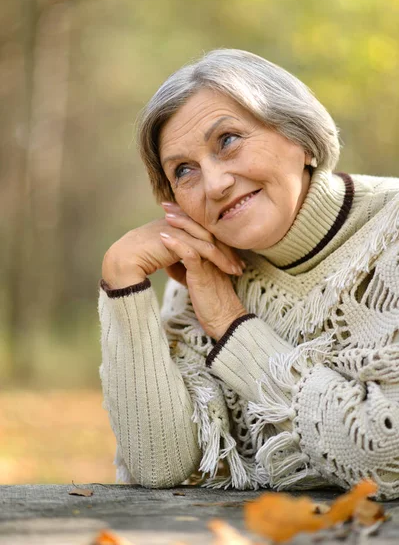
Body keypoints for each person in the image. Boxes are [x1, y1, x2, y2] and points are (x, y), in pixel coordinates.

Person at [99, 49, 399, 499]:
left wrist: (231, 326)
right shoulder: (203, 270)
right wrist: (122, 280)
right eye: (184, 171)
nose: (215, 184)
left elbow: (387, 455)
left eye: (228, 140)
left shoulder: (389, 232)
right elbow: (160, 465)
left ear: (297, 134)